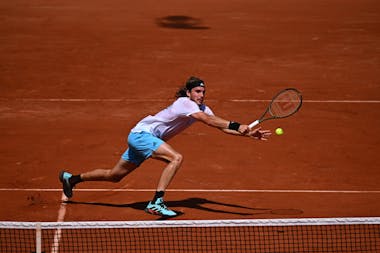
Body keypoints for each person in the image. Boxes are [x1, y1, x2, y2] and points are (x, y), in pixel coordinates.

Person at [59, 76, 271, 217]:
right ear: (188, 93)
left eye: (203, 92)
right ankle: (156, 202)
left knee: (114, 175)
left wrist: (250, 133)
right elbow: (208, 121)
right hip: (143, 135)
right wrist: (238, 124)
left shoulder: (203, 107)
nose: (201, 95)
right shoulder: (184, 103)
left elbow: (221, 127)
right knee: (175, 158)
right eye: (197, 91)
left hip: (139, 136)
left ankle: (72, 178)